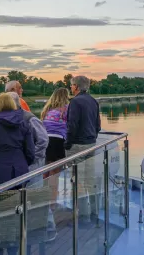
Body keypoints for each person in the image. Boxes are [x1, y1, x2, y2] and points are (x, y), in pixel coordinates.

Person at [0, 93, 35, 190]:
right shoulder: (23, 123)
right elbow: (30, 151)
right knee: (20, 202)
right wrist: (22, 164)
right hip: (19, 172)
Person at [65, 75, 102, 222]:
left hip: (78, 145)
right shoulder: (93, 101)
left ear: (76, 87)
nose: (70, 88)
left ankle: (82, 215)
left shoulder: (75, 102)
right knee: (89, 179)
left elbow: (72, 125)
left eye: (71, 86)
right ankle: (94, 212)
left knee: (77, 181)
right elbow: (98, 125)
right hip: (90, 144)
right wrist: (92, 137)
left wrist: (68, 143)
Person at [8, 92, 48, 186]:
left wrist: (32, 157)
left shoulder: (30, 119)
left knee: (33, 192)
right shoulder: (8, 118)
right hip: (16, 165)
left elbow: (43, 140)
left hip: (32, 165)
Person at [41, 88, 70, 165]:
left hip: (45, 138)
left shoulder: (47, 108)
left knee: (46, 168)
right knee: (55, 170)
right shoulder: (67, 108)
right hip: (58, 139)